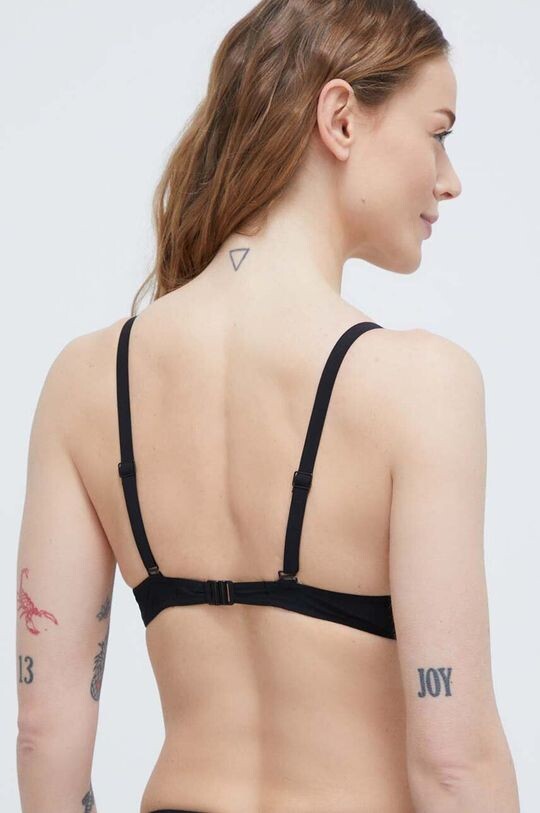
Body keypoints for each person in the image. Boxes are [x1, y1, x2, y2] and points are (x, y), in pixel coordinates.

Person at [16, 1, 520, 811]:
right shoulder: (421, 386)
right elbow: (455, 765)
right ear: (341, 118)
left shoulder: (84, 381)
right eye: (438, 133)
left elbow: (45, 733)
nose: (449, 178)